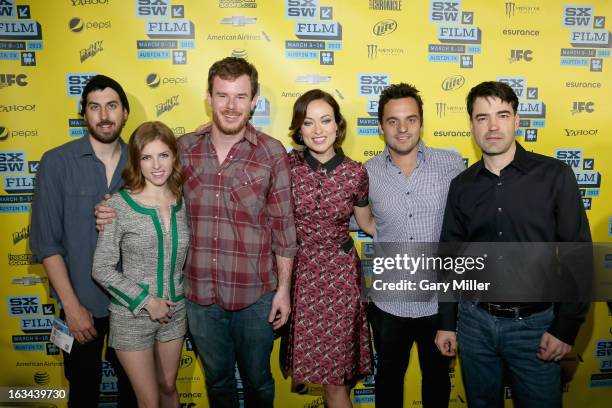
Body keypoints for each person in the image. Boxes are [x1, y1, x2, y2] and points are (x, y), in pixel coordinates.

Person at [96, 57, 297, 408]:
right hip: (199, 298)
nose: (231, 106)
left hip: (255, 296)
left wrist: (283, 291)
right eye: (222, 95)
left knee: (258, 382)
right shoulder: (183, 149)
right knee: (217, 382)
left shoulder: (271, 153)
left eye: (240, 97)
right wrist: (108, 209)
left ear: (254, 101)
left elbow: (284, 229)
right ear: (208, 97)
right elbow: (146, 189)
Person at [435, 81, 591, 407]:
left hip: (535, 328)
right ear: (471, 125)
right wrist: (447, 324)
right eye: (482, 117)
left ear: (517, 120)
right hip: (474, 324)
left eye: (502, 115)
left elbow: (579, 257)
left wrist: (565, 328)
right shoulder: (462, 186)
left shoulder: (555, 176)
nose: (493, 126)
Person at [29, 75, 136, 407]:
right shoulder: (56, 162)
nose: (104, 116)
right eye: (94, 107)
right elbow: (46, 243)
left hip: (133, 306)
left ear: (126, 112)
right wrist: (72, 308)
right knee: (83, 393)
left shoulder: (144, 163)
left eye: (112, 106)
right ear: (84, 114)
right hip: (80, 304)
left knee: (134, 394)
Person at [364, 83, 464, 408]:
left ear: (421, 122)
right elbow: (361, 221)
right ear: (381, 126)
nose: (402, 128)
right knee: (388, 384)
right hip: (388, 305)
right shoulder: (366, 173)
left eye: (410, 119)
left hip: (438, 305)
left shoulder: (452, 166)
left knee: (437, 386)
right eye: (393, 121)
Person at [285, 89, 374, 408]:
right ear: (299, 129)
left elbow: (367, 224)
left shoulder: (355, 173)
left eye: (325, 121)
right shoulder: (287, 166)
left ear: (338, 125)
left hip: (342, 282)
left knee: (337, 383)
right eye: (308, 123)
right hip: (305, 279)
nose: (318, 130)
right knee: (318, 378)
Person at [92, 121, 189, 408]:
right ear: (136, 161)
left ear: (174, 157)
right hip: (131, 317)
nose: (156, 165)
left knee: (169, 387)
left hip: (176, 312)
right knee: (148, 401)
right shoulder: (118, 206)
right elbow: (102, 268)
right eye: (147, 157)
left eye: (163, 155)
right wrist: (147, 301)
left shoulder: (184, 202)